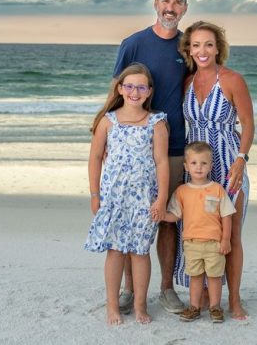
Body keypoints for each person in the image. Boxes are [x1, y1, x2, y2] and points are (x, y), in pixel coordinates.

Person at [111, 0, 189, 314]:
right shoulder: (133, 44)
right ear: (156, 4)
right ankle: (130, 290)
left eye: (178, 3)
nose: (171, 8)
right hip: (136, 150)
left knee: (168, 218)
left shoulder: (187, 48)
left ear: (184, 8)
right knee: (134, 219)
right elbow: (119, 93)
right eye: (166, 1)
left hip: (174, 148)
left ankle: (167, 288)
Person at [175, 21, 254, 320]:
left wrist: (242, 159)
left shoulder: (233, 80)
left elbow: (248, 124)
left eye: (208, 44)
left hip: (228, 164)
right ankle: (206, 298)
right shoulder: (187, 83)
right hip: (197, 169)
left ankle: (234, 300)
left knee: (230, 236)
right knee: (199, 233)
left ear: (218, 47)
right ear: (189, 50)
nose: (202, 51)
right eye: (196, 45)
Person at [84, 63, 169, 325]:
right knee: (116, 251)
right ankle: (113, 306)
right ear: (120, 88)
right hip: (114, 198)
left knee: (140, 251)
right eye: (129, 86)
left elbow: (162, 162)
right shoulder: (108, 121)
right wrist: (95, 195)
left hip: (144, 199)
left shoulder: (156, 122)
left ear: (149, 91)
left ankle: (140, 306)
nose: (135, 91)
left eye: (141, 86)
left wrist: (161, 198)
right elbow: (95, 157)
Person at [162, 141, 235, 324]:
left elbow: (227, 215)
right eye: (194, 163)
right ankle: (194, 307)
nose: (199, 167)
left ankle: (215, 307)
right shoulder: (182, 191)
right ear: (186, 166)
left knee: (214, 277)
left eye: (203, 163)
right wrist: (161, 215)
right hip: (191, 243)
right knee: (195, 277)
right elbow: (175, 215)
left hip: (214, 244)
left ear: (211, 166)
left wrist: (225, 239)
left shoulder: (217, 189)